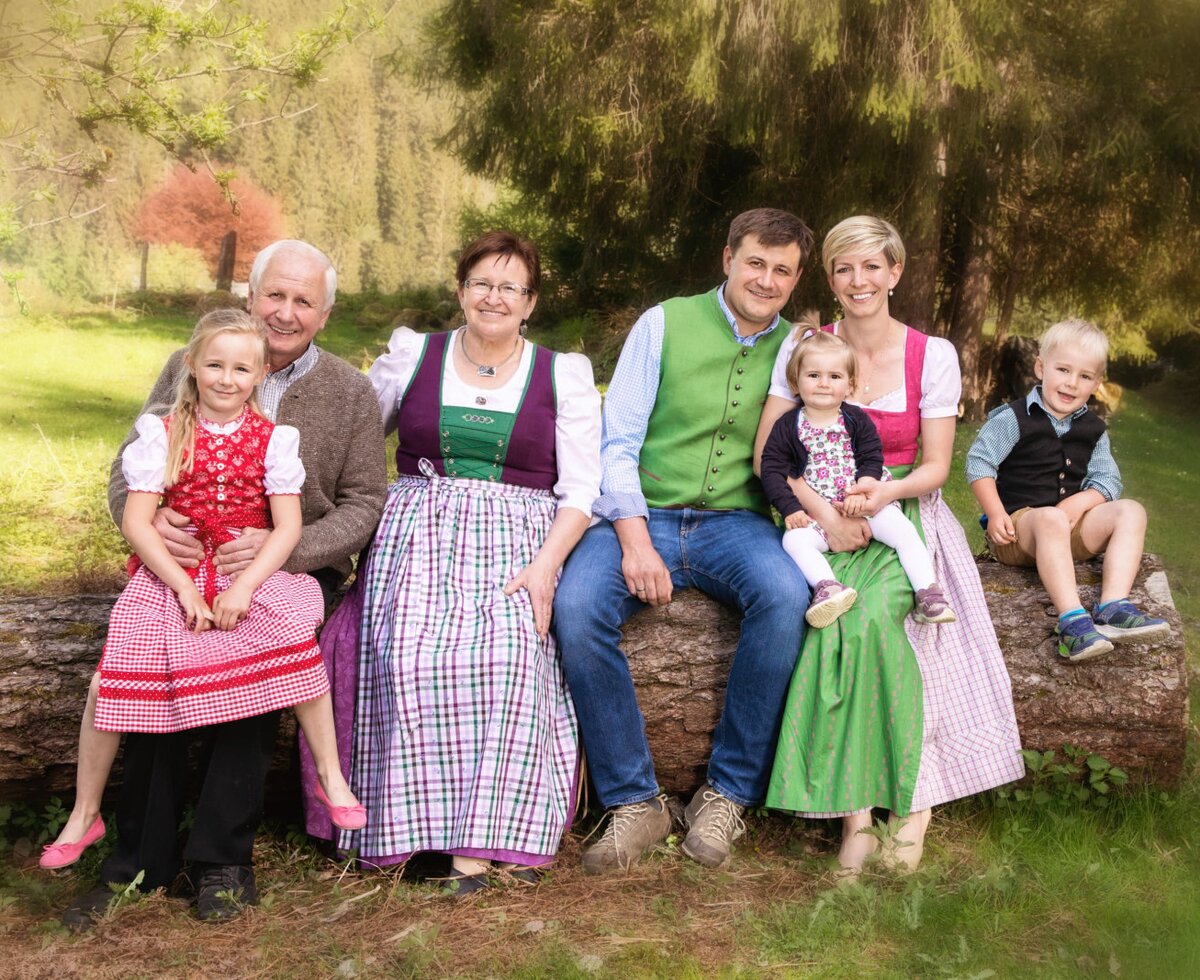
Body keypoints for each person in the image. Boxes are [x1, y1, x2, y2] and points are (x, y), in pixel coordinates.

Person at [62, 240, 386, 929]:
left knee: (253, 660)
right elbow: (132, 466)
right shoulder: (191, 365)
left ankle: (221, 859)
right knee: (156, 658)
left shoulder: (349, 391)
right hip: (179, 561)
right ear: (250, 297)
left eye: (303, 301)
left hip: (288, 569)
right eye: (275, 294)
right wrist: (149, 524)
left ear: (324, 314)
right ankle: (136, 860)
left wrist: (283, 553)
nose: (286, 311)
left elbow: (364, 502)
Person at [757, 215, 1023, 876]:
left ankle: (915, 803)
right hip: (817, 516)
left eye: (872, 266)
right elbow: (771, 452)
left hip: (903, 510)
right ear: (831, 278)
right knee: (838, 624)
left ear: (895, 272)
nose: (858, 280)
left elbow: (935, 465)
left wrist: (880, 498)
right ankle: (854, 814)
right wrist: (826, 512)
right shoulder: (805, 345)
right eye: (845, 268)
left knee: (894, 622)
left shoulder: (931, 355)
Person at [554, 208, 814, 874]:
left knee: (786, 598)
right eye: (755, 261)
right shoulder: (664, 322)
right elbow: (618, 441)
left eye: (782, 270)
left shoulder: (797, 348)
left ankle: (727, 793)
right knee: (578, 608)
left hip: (739, 522)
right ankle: (635, 800)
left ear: (797, 278)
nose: (766, 279)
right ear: (728, 257)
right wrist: (635, 541)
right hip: (645, 511)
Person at [342, 231, 601, 895]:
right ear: (460, 291)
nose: (494, 296)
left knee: (509, 657)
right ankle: (405, 830)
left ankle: (476, 849)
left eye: (510, 286)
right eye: (482, 282)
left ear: (530, 302)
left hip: (521, 539)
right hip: (419, 532)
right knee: (403, 650)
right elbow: (353, 443)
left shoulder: (559, 374)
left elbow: (580, 490)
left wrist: (546, 567)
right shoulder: (414, 356)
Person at [966, 318, 1169, 662]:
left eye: (1085, 376)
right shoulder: (1013, 418)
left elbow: (1109, 481)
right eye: (1063, 370)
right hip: (1019, 531)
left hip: (1068, 529)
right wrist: (997, 512)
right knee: (1048, 519)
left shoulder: (1093, 429)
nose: (1072, 383)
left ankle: (1112, 607)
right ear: (1041, 368)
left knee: (1131, 510)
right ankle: (1072, 623)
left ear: (1097, 383)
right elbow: (978, 464)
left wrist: (1081, 502)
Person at [760, 329, 956, 629]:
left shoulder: (855, 421)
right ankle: (827, 587)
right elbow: (772, 469)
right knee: (794, 541)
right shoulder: (788, 426)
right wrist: (790, 509)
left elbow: (871, 457)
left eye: (834, 377)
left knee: (903, 531)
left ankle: (927, 591)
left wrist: (861, 492)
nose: (824, 383)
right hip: (816, 513)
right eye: (813, 375)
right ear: (795, 381)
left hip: (864, 502)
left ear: (850, 385)